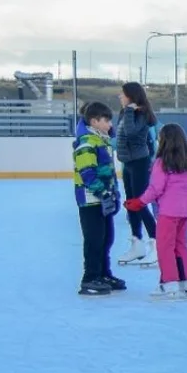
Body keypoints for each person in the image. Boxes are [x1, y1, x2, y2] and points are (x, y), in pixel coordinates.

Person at [126, 123, 187, 300]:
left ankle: (169, 284)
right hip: (185, 211)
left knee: (165, 247)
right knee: (181, 246)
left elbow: (156, 189)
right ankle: (186, 284)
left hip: (168, 212)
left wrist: (140, 202)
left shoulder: (162, 162)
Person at [73, 102, 125, 297]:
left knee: (106, 238)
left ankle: (103, 274)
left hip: (103, 200)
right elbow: (87, 173)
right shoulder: (86, 142)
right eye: (106, 120)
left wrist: (113, 193)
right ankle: (90, 278)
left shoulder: (101, 141)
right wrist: (102, 192)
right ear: (94, 121)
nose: (110, 124)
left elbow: (108, 172)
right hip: (90, 201)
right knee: (94, 240)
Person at [114, 82, 159, 268]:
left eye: (122, 94)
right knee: (131, 203)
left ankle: (156, 243)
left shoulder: (139, 113)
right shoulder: (126, 112)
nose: (119, 96)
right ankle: (137, 243)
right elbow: (119, 133)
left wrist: (131, 111)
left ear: (131, 96)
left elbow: (132, 133)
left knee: (140, 204)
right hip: (128, 163)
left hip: (140, 163)